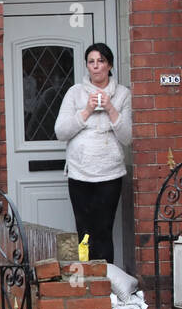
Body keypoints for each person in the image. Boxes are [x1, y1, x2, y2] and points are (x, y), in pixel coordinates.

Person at [53, 42, 132, 264]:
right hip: (79, 174)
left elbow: (127, 138)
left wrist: (111, 109)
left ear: (110, 65)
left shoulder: (123, 94)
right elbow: (60, 131)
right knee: (84, 232)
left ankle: (107, 284)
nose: (96, 66)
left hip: (110, 174)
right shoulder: (74, 93)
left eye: (101, 61)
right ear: (87, 66)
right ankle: (86, 281)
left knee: (104, 229)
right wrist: (86, 111)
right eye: (91, 62)